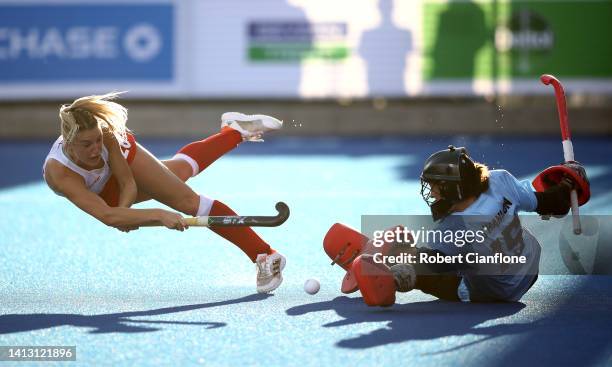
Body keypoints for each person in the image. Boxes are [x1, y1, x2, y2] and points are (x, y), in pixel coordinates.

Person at [42, 92, 286, 293]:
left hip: (117, 186)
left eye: (97, 141)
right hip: (101, 197)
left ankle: (264, 254)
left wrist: (127, 213)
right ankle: (234, 130)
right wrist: (153, 214)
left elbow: (128, 183)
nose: (96, 148)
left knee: (186, 200)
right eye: (87, 145)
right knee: (177, 173)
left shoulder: (105, 135)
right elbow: (107, 215)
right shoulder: (61, 173)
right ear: (68, 142)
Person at [325, 145, 589, 305]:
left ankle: (380, 265)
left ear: (453, 188)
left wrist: (403, 272)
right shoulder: (500, 181)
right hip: (529, 267)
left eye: (436, 188)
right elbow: (548, 203)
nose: (432, 193)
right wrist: (568, 182)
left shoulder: (454, 227)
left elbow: (434, 262)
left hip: (499, 292)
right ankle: (388, 257)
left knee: (429, 268)